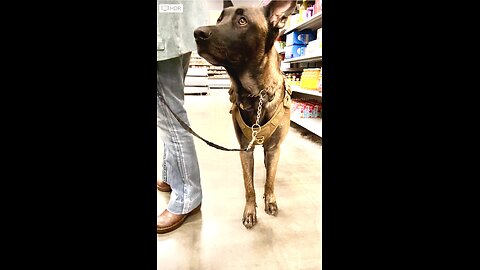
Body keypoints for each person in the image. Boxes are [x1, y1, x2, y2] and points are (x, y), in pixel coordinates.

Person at [156, 0, 209, 234]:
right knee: (172, 110)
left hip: (164, 30)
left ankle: (189, 196)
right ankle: (171, 177)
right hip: (180, 27)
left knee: (170, 116)